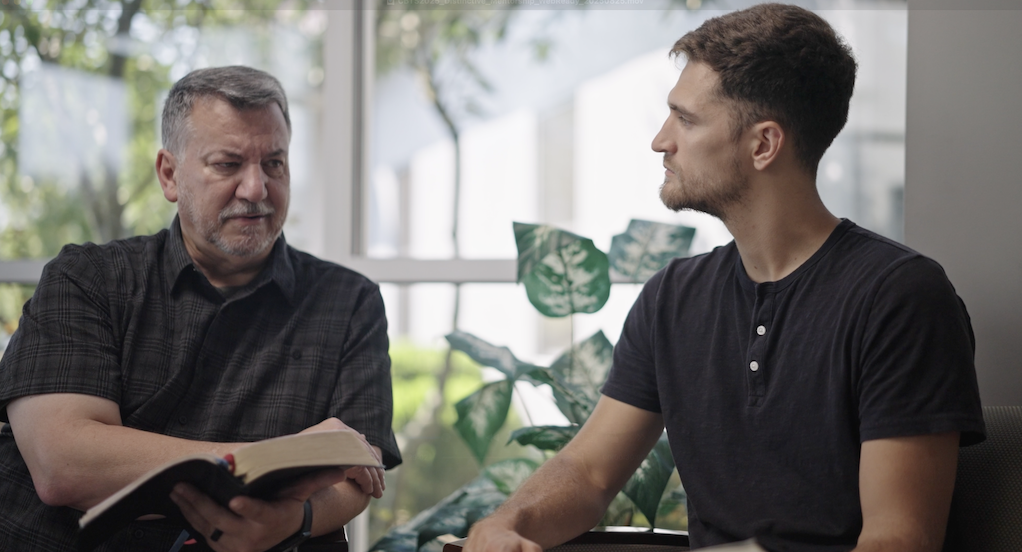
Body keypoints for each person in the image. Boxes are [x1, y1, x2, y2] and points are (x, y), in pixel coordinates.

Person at [465, 4, 984, 552]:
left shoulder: (900, 298)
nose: (661, 140)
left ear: (763, 144)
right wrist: (508, 525)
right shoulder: (673, 297)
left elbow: (899, 537)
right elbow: (589, 472)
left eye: (686, 120)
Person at [0, 66, 401, 551]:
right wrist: (285, 458)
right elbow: (63, 464)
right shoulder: (87, 278)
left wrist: (294, 517)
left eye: (274, 164)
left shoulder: (349, 300)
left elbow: (358, 474)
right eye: (228, 164)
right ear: (170, 174)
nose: (256, 189)